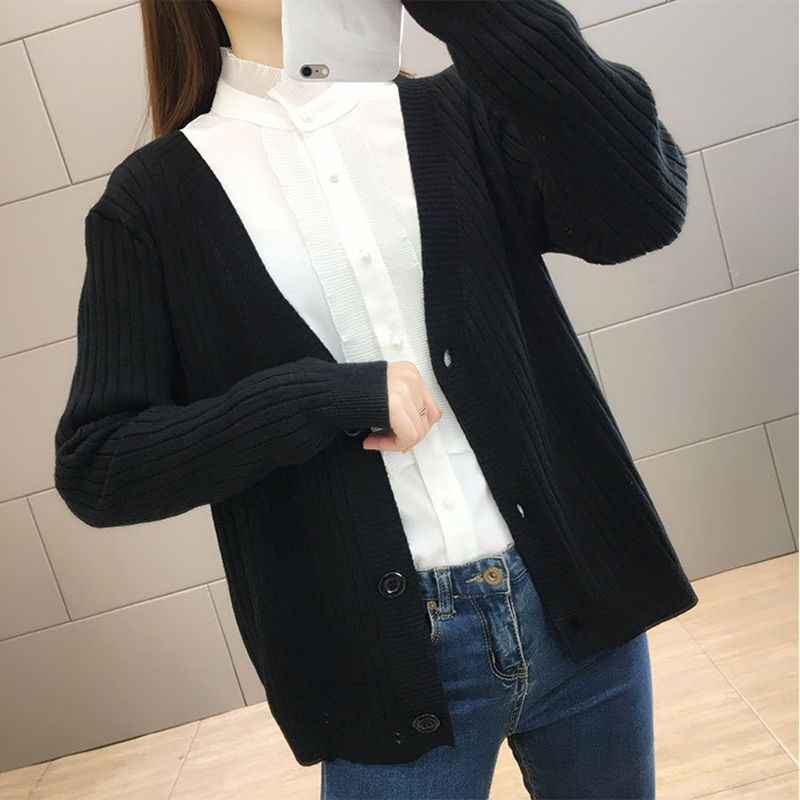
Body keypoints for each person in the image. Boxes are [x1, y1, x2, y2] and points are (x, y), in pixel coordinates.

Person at [54, 1, 697, 798]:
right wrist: (324, 397)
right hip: (384, 667)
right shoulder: (151, 204)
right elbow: (100, 463)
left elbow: (644, 209)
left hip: (579, 608)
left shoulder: (462, 111)